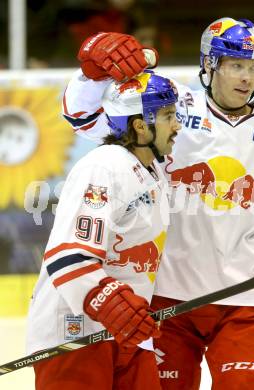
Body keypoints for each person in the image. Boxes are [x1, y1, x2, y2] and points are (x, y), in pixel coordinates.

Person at [62, 20, 254, 390]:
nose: (247, 77)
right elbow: (82, 119)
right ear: (209, 65)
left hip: (250, 301)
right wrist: (93, 76)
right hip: (166, 300)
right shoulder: (169, 108)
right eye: (235, 65)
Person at [26, 64, 181, 389]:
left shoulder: (151, 171)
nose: (177, 125)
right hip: (75, 334)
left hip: (127, 333)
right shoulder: (105, 166)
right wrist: (114, 306)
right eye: (168, 116)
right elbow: (69, 258)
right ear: (141, 126)